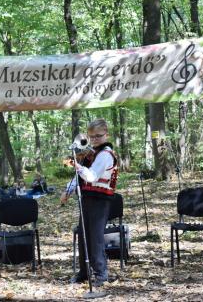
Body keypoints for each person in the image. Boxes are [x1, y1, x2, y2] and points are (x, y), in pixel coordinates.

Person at [60, 118, 118, 287]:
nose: (94, 140)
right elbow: (78, 178)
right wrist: (68, 191)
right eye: (91, 137)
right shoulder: (91, 154)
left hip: (101, 200)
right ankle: (84, 272)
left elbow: (91, 176)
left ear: (106, 134)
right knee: (83, 235)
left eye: (98, 136)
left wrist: (76, 164)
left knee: (95, 237)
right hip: (86, 198)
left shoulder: (106, 155)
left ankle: (101, 273)